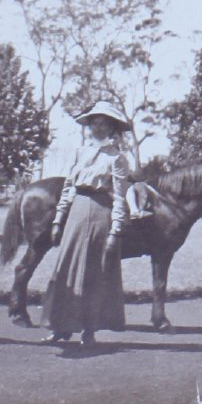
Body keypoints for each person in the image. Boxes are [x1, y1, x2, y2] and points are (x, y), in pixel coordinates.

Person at [40, 100, 132, 347]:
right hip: (76, 213)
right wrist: (59, 218)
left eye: (104, 124)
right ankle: (60, 328)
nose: (98, 128)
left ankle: (89, 331)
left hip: (101, 214)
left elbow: (120, 197)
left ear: (112, 128)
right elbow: (70, 186)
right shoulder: (81, 152)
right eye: (94, 123)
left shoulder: (117, 159)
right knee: (66, 269)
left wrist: (115, 229)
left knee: (94, 273)